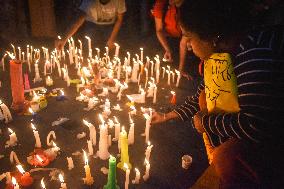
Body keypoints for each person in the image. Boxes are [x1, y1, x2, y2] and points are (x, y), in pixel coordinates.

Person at [151, 0, 284, 188]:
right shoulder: (220, 56)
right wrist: (166, 116)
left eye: (189, 37)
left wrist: (205, 123)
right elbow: (200, 96)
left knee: (229, 158)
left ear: (211, 37)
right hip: (233, 150)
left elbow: (254, 125)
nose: (187, 46)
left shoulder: (253, 56)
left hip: (266, 160)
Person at [55, 0, 126, 50]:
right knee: (89, 48)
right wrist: (65, 38)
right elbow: (79, 19)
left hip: (110, 25)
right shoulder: (89, 1)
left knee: (110, 48)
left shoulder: (119, 1)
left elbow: (119, 19)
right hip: (92, 24)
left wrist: (112, 38)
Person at [151, 0, 191, 76]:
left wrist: (181, 69)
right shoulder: (161, 4)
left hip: (184, 38)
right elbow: (159, 30)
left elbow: (184, 41)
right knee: (164, 60)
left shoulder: (188, 8)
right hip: (168, 38)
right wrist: (167, 49)